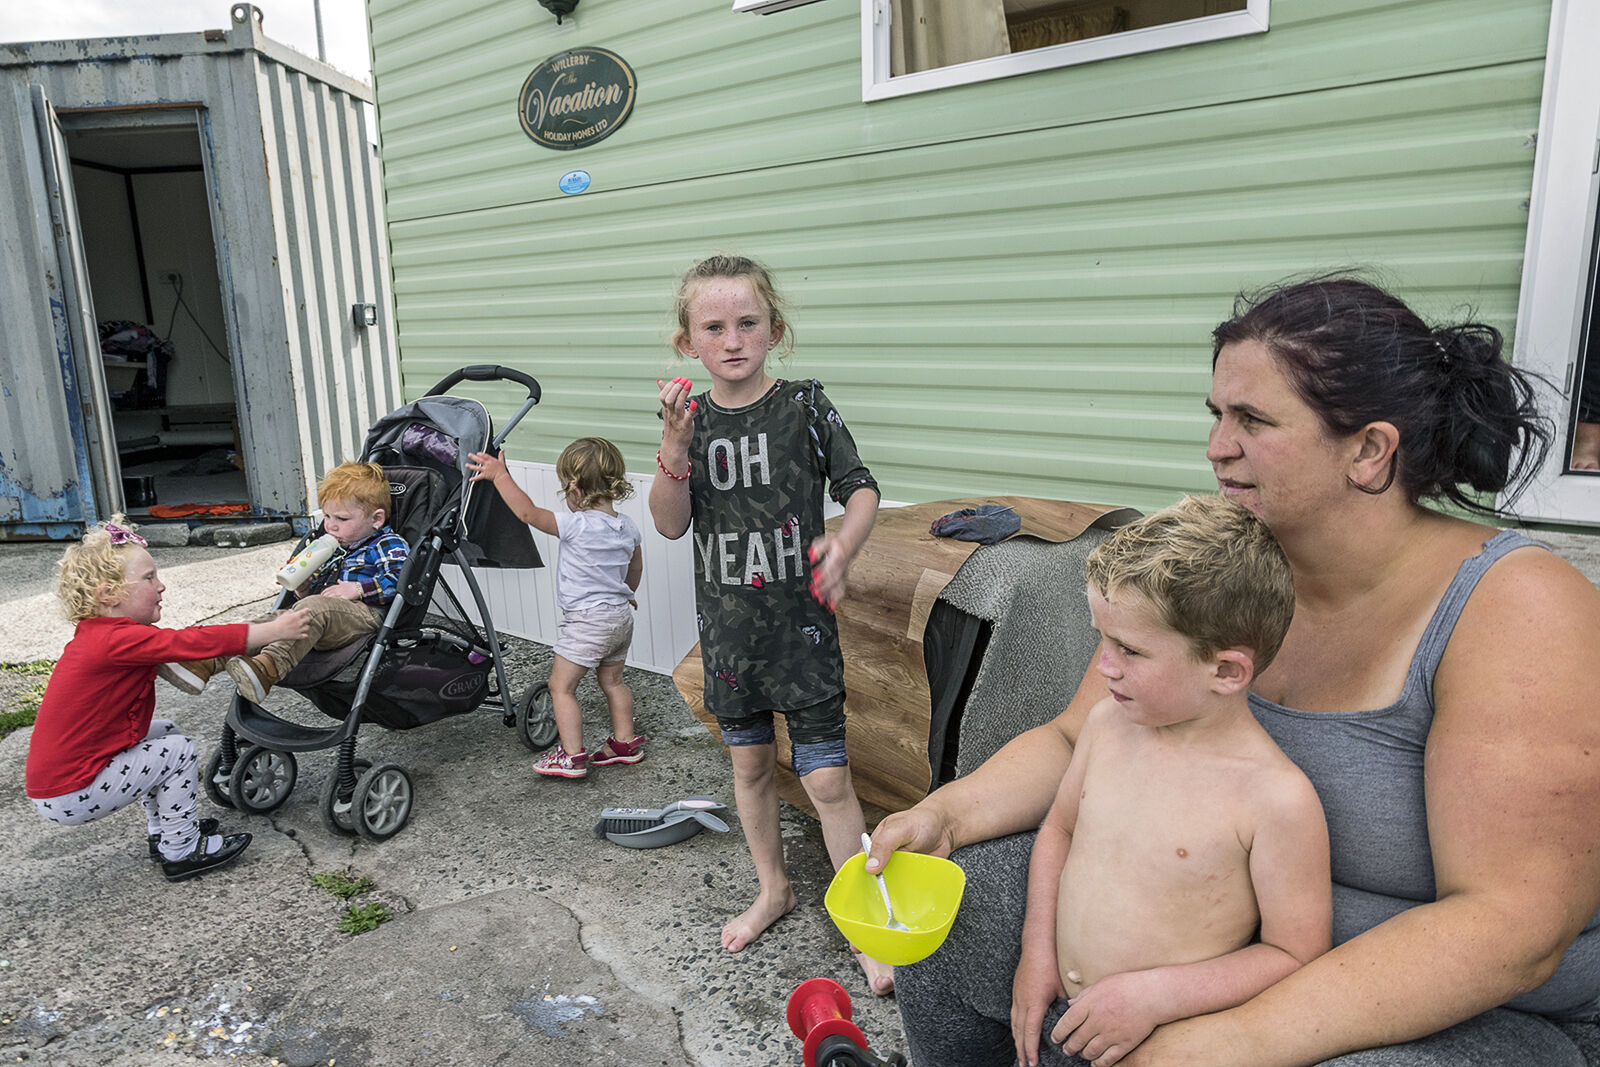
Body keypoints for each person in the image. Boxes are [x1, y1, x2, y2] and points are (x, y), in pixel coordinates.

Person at [868, 275, 1600, 1066]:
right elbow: (1076, 736)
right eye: (1217, 415)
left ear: (1369, 449)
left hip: (1460, 1009)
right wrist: (951, 812)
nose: (1217, 446)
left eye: (1251, 419)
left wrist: (1229, 1040)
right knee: (953, 904)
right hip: (1214, 937)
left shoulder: (1518, 606)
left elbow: (1511, 928)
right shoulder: (1226, 560)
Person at [1012, 494, 1331, 1067]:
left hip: (1160, 1041)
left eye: (1130, 650)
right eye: (1101, 639)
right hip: (1064, 1018)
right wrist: (1037, 952)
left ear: (1226, 670)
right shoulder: (1107, 724)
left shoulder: (1274, 798)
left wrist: (1154, 997)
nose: (1104, 666)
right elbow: (1059, 829)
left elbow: (1294, 953)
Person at [648, 254, 893, 995]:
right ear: (687, 342)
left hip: (801, 634)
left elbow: (860, 488)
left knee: (826, 779)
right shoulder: (688, 422)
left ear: (774, 329)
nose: (732, 339)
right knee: (750, 768)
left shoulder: (805, 406)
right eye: (713, 326)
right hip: (730, 638)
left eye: (748, 322)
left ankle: (860, 919)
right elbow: (667, 524)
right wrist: (674, 450)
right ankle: (774, 889)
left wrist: (844, 545)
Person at [25, 518, 309, 881]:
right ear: (108, 594)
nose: (161, 585)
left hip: (66, 780)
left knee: (163, 734)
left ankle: (166, 832)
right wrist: (269, 631)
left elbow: (184, 645)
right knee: (178, 751)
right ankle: (182, 851)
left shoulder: (105, 635)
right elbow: (187, 643)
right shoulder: (115, 641)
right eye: (148, 578)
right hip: (73, 788)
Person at [466, 436, 645, 778]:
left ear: (575, 490)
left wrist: (499, 475)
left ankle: (571, 755)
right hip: (620, 617)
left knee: (561, 688)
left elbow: (527, 513)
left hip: (587, 622)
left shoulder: (575, 525)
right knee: (614, 682)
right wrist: (628, 592)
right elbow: (634, 569)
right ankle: (625, 743)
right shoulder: (628, 527)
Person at [205, 461, 410, 702]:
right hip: (323, 614)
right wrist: (304, 588)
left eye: (342, 518)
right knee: (276, 619)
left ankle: (268, 668)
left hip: (365, 614)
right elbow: (321, 595)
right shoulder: (334, 546)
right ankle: (208, 660)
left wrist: (357, 588)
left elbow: (400, 581)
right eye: (326, 516)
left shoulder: (387, 544)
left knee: (309, 611)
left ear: (376, 519)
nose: (330, 526)